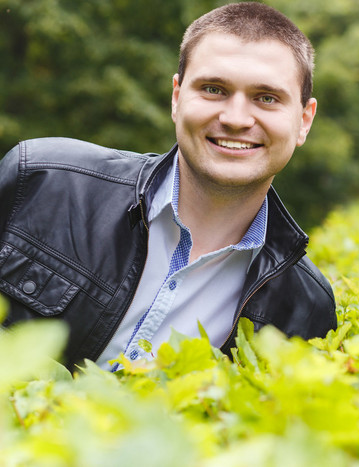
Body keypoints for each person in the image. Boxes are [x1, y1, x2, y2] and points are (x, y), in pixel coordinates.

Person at [0, 2, 337, 369]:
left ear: (304, 120)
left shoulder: (307, 307)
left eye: (266, 98)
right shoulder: (41, 182)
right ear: (177, 98)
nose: (236, 118)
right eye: (213, 89)